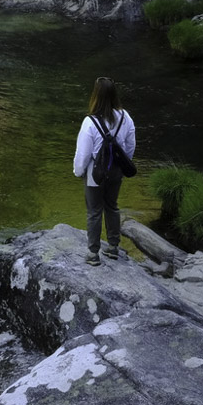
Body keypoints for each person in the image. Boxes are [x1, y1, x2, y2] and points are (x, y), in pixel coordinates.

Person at [72, 76, 136, 266]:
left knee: (94, 211)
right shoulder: (126, 117)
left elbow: (83, 154)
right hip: (116, 171)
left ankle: (93, 254)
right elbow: (130, 146)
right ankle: (114, 247)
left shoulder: (89, 122)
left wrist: (78, 172)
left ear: (95, 96)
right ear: (114, 95)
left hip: (95, 173)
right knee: (112, 206)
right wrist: (124, 165)